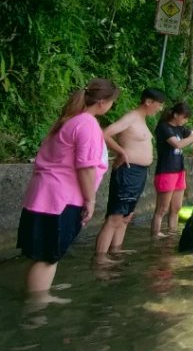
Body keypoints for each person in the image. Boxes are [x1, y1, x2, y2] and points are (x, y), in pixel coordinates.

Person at [16, 79, 120, 297]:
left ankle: (37, 293)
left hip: (41, 196)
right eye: (112, 102)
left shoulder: (68, 120)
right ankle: (37, 308)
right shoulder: (88, 124)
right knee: (48, 257)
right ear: (102, 102)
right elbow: (86, 167)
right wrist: (91, 201)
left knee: (41, 254)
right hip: (60, 200)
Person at [93, 87, 166, 262]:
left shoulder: (142, 120)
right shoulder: (131, 117)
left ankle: (116, 251)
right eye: (159, 104)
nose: (160, 108)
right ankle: (100, 258)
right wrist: (121, 152)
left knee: (126, 217)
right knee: (115, 217)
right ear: (148, 102)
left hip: (139, 173)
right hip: (127, 171)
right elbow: (105, 134)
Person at [150, 101, 193, 239]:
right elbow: (177, 144)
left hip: (179, 171)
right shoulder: (164, 127)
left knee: (176, 208)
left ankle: (172, 233)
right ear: (175, 115)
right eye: (184, 117)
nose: (185, 121)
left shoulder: (181, 128)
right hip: (166, 171)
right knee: (162, 209)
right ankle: (155, 235)